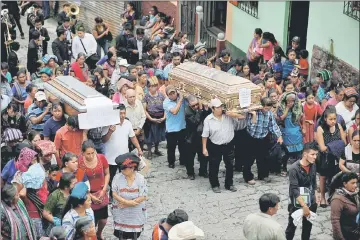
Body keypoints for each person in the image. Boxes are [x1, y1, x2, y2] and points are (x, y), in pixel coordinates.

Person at [202, 98, 245, 193]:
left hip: (228, 144)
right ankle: (215, 184)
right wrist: (204, 148)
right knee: (214, 165)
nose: (220, 109)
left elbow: (242, 117)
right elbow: (205, 135)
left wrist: (232, 114)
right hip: (215, 145)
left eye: (221, 107)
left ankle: (229, 184)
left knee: (229, 165)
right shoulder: (208, 119)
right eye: (217, 107)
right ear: (212, 109)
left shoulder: (228, 116)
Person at [102, 104, 143, 193]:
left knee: (125, 177)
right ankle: (113, 196)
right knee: (111, 179)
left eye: (124, 113)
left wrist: (139, 148)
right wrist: (110, 131)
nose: (122, 115)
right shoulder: (108, 124)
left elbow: (133, 137)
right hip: (110, 158)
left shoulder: (127, 123)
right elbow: (103, 140)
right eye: (120, 113)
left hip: (124, 158)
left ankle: (125, 194)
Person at [243, 97, 283, 185]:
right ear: (261, 106)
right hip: (251, 138)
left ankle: (263, 175)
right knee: (249, 159)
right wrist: (254, 116)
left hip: (263, 138)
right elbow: (250, 127)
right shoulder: (254, 112)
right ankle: (248, 177)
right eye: (265, 108)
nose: (266, 110)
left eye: (268, 109)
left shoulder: (269, 114)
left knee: (263, 158)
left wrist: (279, 136)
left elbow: (273, 126)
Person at [285, 141, 318, 240]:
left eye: (316, 154)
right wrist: (304, 206)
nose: (315, 157)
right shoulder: (293, 169)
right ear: (305, 154)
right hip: (296, 202)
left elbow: (313, 181)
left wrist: (316, 195)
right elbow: (294, 190)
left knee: (308, 227)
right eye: (312, 154)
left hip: (310, 201)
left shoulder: (313, 165)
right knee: (292, 226)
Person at [79, 140, 110, 239]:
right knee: (92, 221)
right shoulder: (79, 162)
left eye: (93, 153)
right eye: (88, 154)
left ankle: (99, 232)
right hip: (87, 195)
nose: (91, 156)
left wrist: (104, 190)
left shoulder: (101, 158)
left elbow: (107, 173)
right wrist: (91, 196)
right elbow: (80, 183)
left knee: (103, 220)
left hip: (101, 192)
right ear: (83, 153)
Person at [112, 153, 148, 240]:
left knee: (134, 235)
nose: (122, 170)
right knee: (121, 235)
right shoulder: (117, 177)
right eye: (121, 168)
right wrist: (128, 202)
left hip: (135, 213)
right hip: (121, 213)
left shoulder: (140, 179)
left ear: (132, 168)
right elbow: (114, 193)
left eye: (124, 168)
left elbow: (143, 196)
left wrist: (127, 204)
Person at [316, 107, 346, 208]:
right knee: (323, 177)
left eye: (334, 119)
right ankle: (323, 197)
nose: (333, 121)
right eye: (331, 119)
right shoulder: (321, 129)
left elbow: (344, 142)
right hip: (325, 157)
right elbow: (322, 147)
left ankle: (334, 196)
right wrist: (336, 145)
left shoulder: (338, 126)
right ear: (325, 119)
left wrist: (333, 146)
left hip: (337, 157)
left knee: (337, 176)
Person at [277, 92, 304, 175]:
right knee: (287, 152)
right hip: (287, 132)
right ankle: (284, 168)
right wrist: (287, 108)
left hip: (296, 131)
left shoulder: (298, 107)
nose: (290, 103)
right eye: (288, 101)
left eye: (292, 101)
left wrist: (303, 128)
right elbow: (281, 118)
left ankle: (298, 169)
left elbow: (300, 118)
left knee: (299, 152)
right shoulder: (281, 108)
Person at [184, 95, 211, 179]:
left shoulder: (201, 107)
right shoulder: (187, 111)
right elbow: (195, 121)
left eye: (197, 104)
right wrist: (199, 110)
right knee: (190, 157)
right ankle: (190, 173)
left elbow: (207, 116)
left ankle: (203, 171)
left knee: (204, 155)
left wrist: (206, 108)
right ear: (189, 104)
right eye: (193, 105)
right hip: (191, 137)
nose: (195, 106)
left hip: (202, 136)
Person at [330, 172, 359, 240]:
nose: (355, 185)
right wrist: (340, 238)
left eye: (356, 182)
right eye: (352, 183)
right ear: (344, 184)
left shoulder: (354, 194)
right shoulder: (337, 199)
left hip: (354, 232)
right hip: (345, 234)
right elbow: (335, 221)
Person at [163, 85, 186, 168]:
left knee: (183, 147)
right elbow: (174, 111)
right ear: (167, 95)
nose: (173, 95)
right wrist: (180, 100)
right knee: (171, 148)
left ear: (177, 92)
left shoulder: (181, 98)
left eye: (174, 93)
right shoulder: (166, 102)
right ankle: (171, 162)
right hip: (171, 129)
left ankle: (183, 161)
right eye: (170, 94)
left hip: (182, 127)